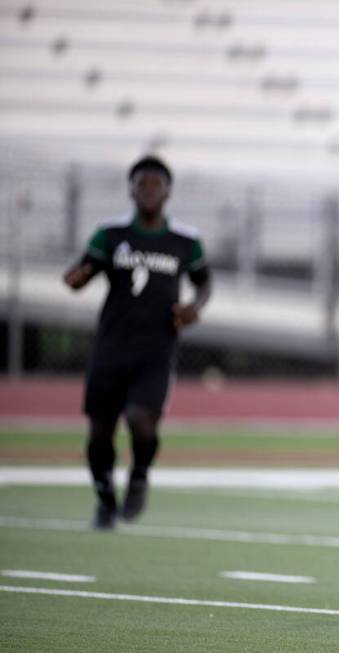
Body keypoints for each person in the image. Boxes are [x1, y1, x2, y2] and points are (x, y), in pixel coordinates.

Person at [63, 155, 211, 530]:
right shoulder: (111, 234)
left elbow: (204, 281)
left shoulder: (184, 240)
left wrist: (195, 306)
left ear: (167, 191)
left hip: (156, 350)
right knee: (100, 433)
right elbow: (81, 272)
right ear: (131, 189)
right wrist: (76, 277)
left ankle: (140, 474)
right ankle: (104, 499)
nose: (148, 191)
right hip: (111, 347)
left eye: (155, 185)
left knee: (141, 421)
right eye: (141, 184)